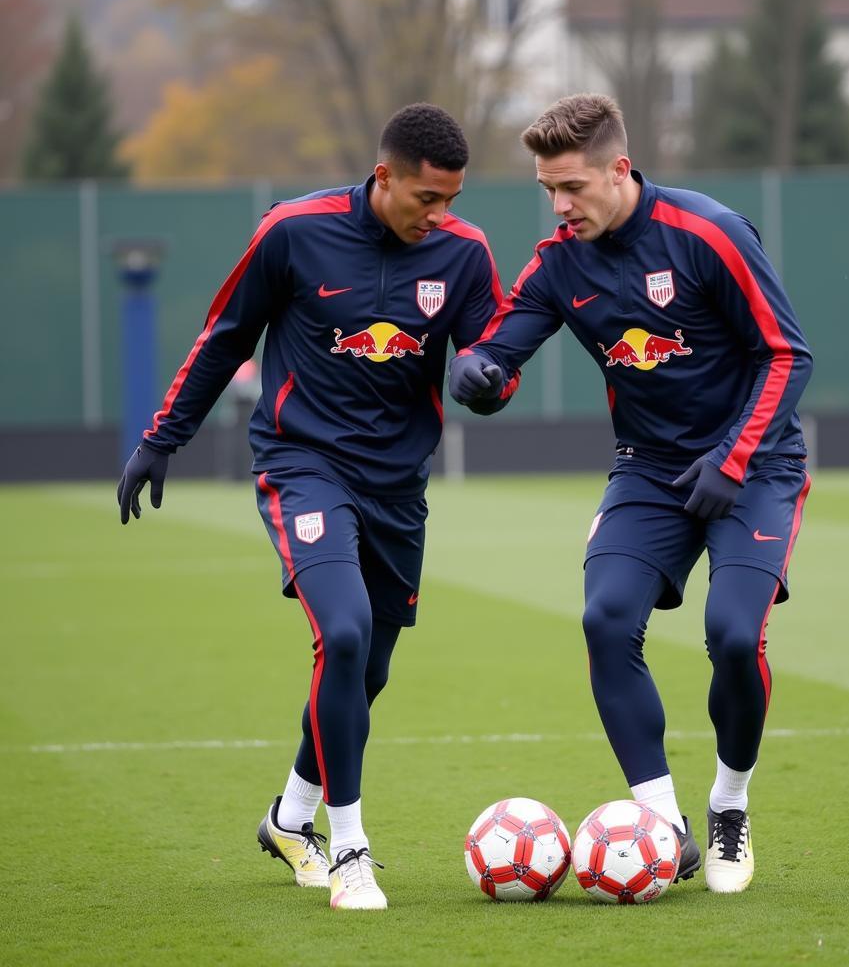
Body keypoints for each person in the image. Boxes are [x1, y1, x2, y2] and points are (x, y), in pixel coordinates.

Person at [117, 103, 511, 911]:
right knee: (342, 630)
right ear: (384, 177)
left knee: (368, 667)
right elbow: (226, 335)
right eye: (425, 199)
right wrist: (163, 437)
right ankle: (350, 849)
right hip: (304, 465)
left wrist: (488, 381)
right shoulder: (293, 231)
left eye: (450, 200)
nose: (438, 216)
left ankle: (288, 818)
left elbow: (489, 359)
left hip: (398, 485)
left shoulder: (465, 254)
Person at [450, 93, 812, 895]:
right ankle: (666, 826)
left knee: (732, 633)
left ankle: (727, 804)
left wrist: (733, 457)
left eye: (572, 187)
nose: (559, 205)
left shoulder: (709, 232)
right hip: (648, 468)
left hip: (754, 466)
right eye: (548, 189)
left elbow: (788, 355)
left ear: (621, 170)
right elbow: (501, 351)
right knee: (606, 618)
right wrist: (479, 375)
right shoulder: (558, 262)